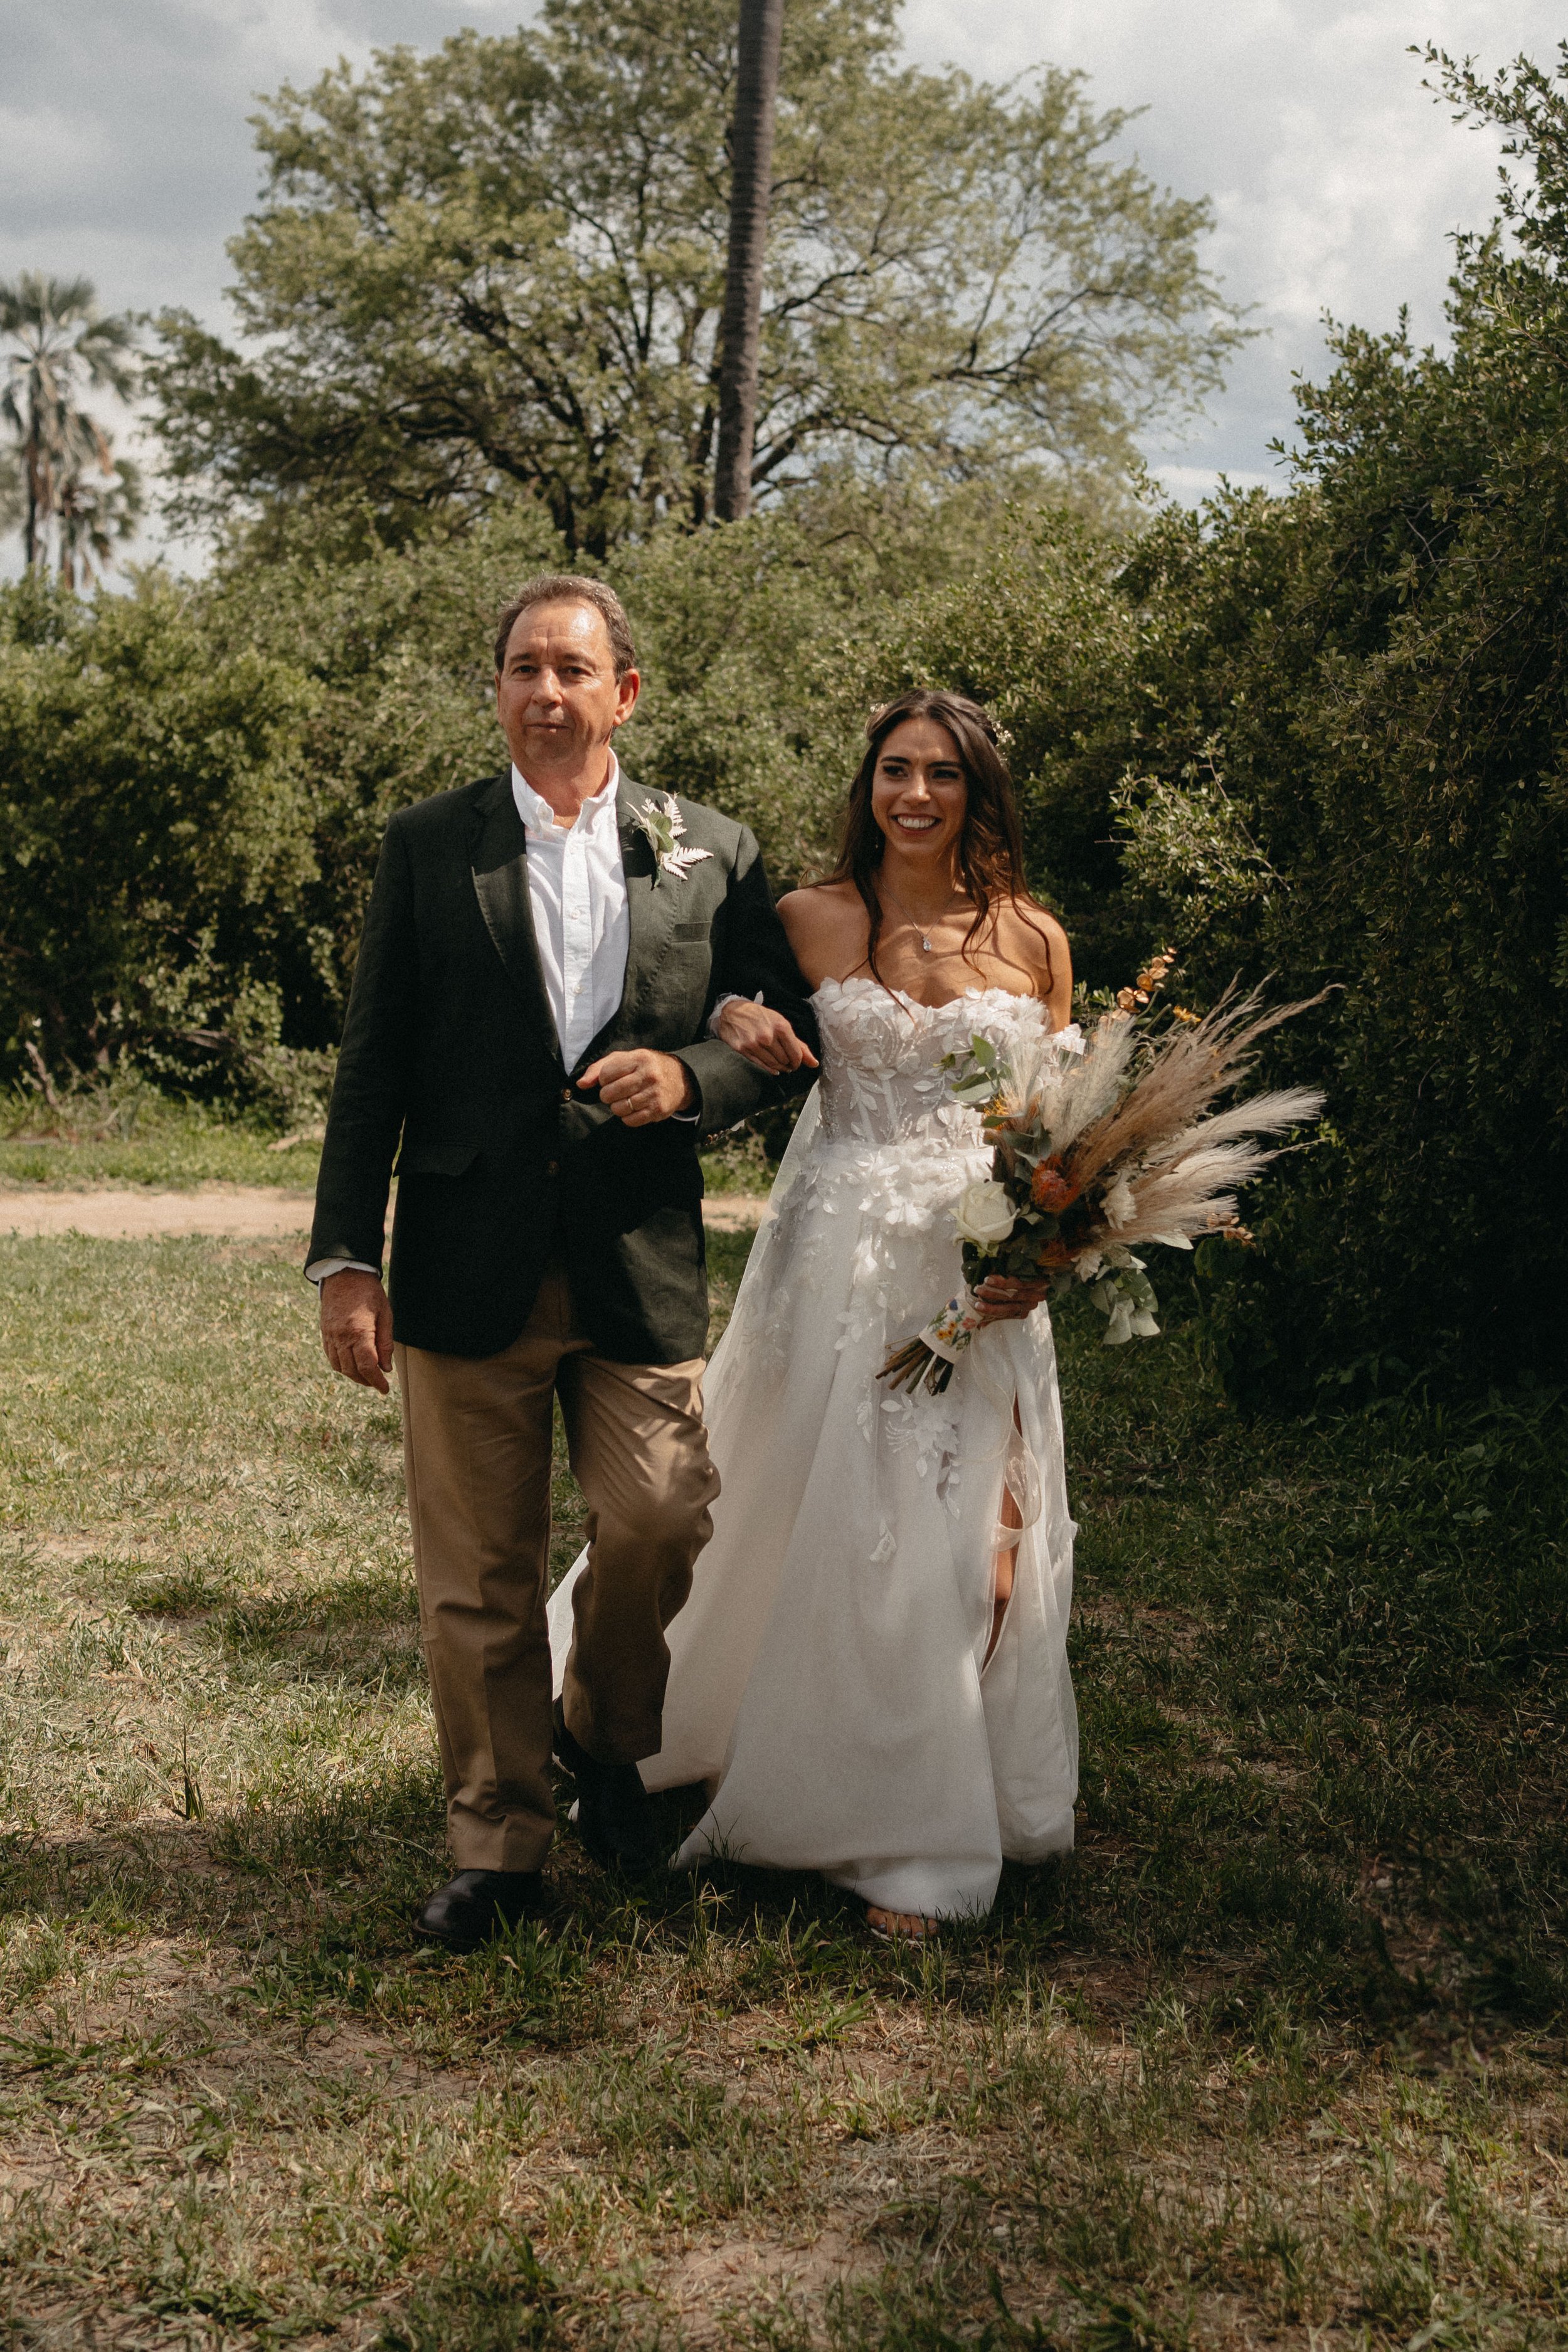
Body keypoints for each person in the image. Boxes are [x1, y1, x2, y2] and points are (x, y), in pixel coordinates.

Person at [309, 574, 818, 1953]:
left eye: (573, 669)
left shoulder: (711, 849)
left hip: (633, 1253)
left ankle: (601, 1735)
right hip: (463, 1257)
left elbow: (777, 1035)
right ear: (498, 690)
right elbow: (373, 1062)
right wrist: (347, 1256)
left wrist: (694, 1075)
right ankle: (499, 1847)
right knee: (477, 1573)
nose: (546, 691)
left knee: (661, 1515)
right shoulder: (429, 843)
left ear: (624, 694)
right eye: (523, 668)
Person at [549, 689, 1079, 1938]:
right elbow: (720, 1016)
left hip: (978, 1276)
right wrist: (733, 1015)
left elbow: (1063, 1136)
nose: (915, 794)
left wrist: (1049, 1258)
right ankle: (855, 1811)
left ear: (978, 791)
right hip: (835, 1260)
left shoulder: (1035, 937)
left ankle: (930, 1795)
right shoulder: (805, 915)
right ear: (867, 785)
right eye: (895, 769)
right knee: (820, 1527)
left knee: (978, 1545)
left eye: (942, 773)